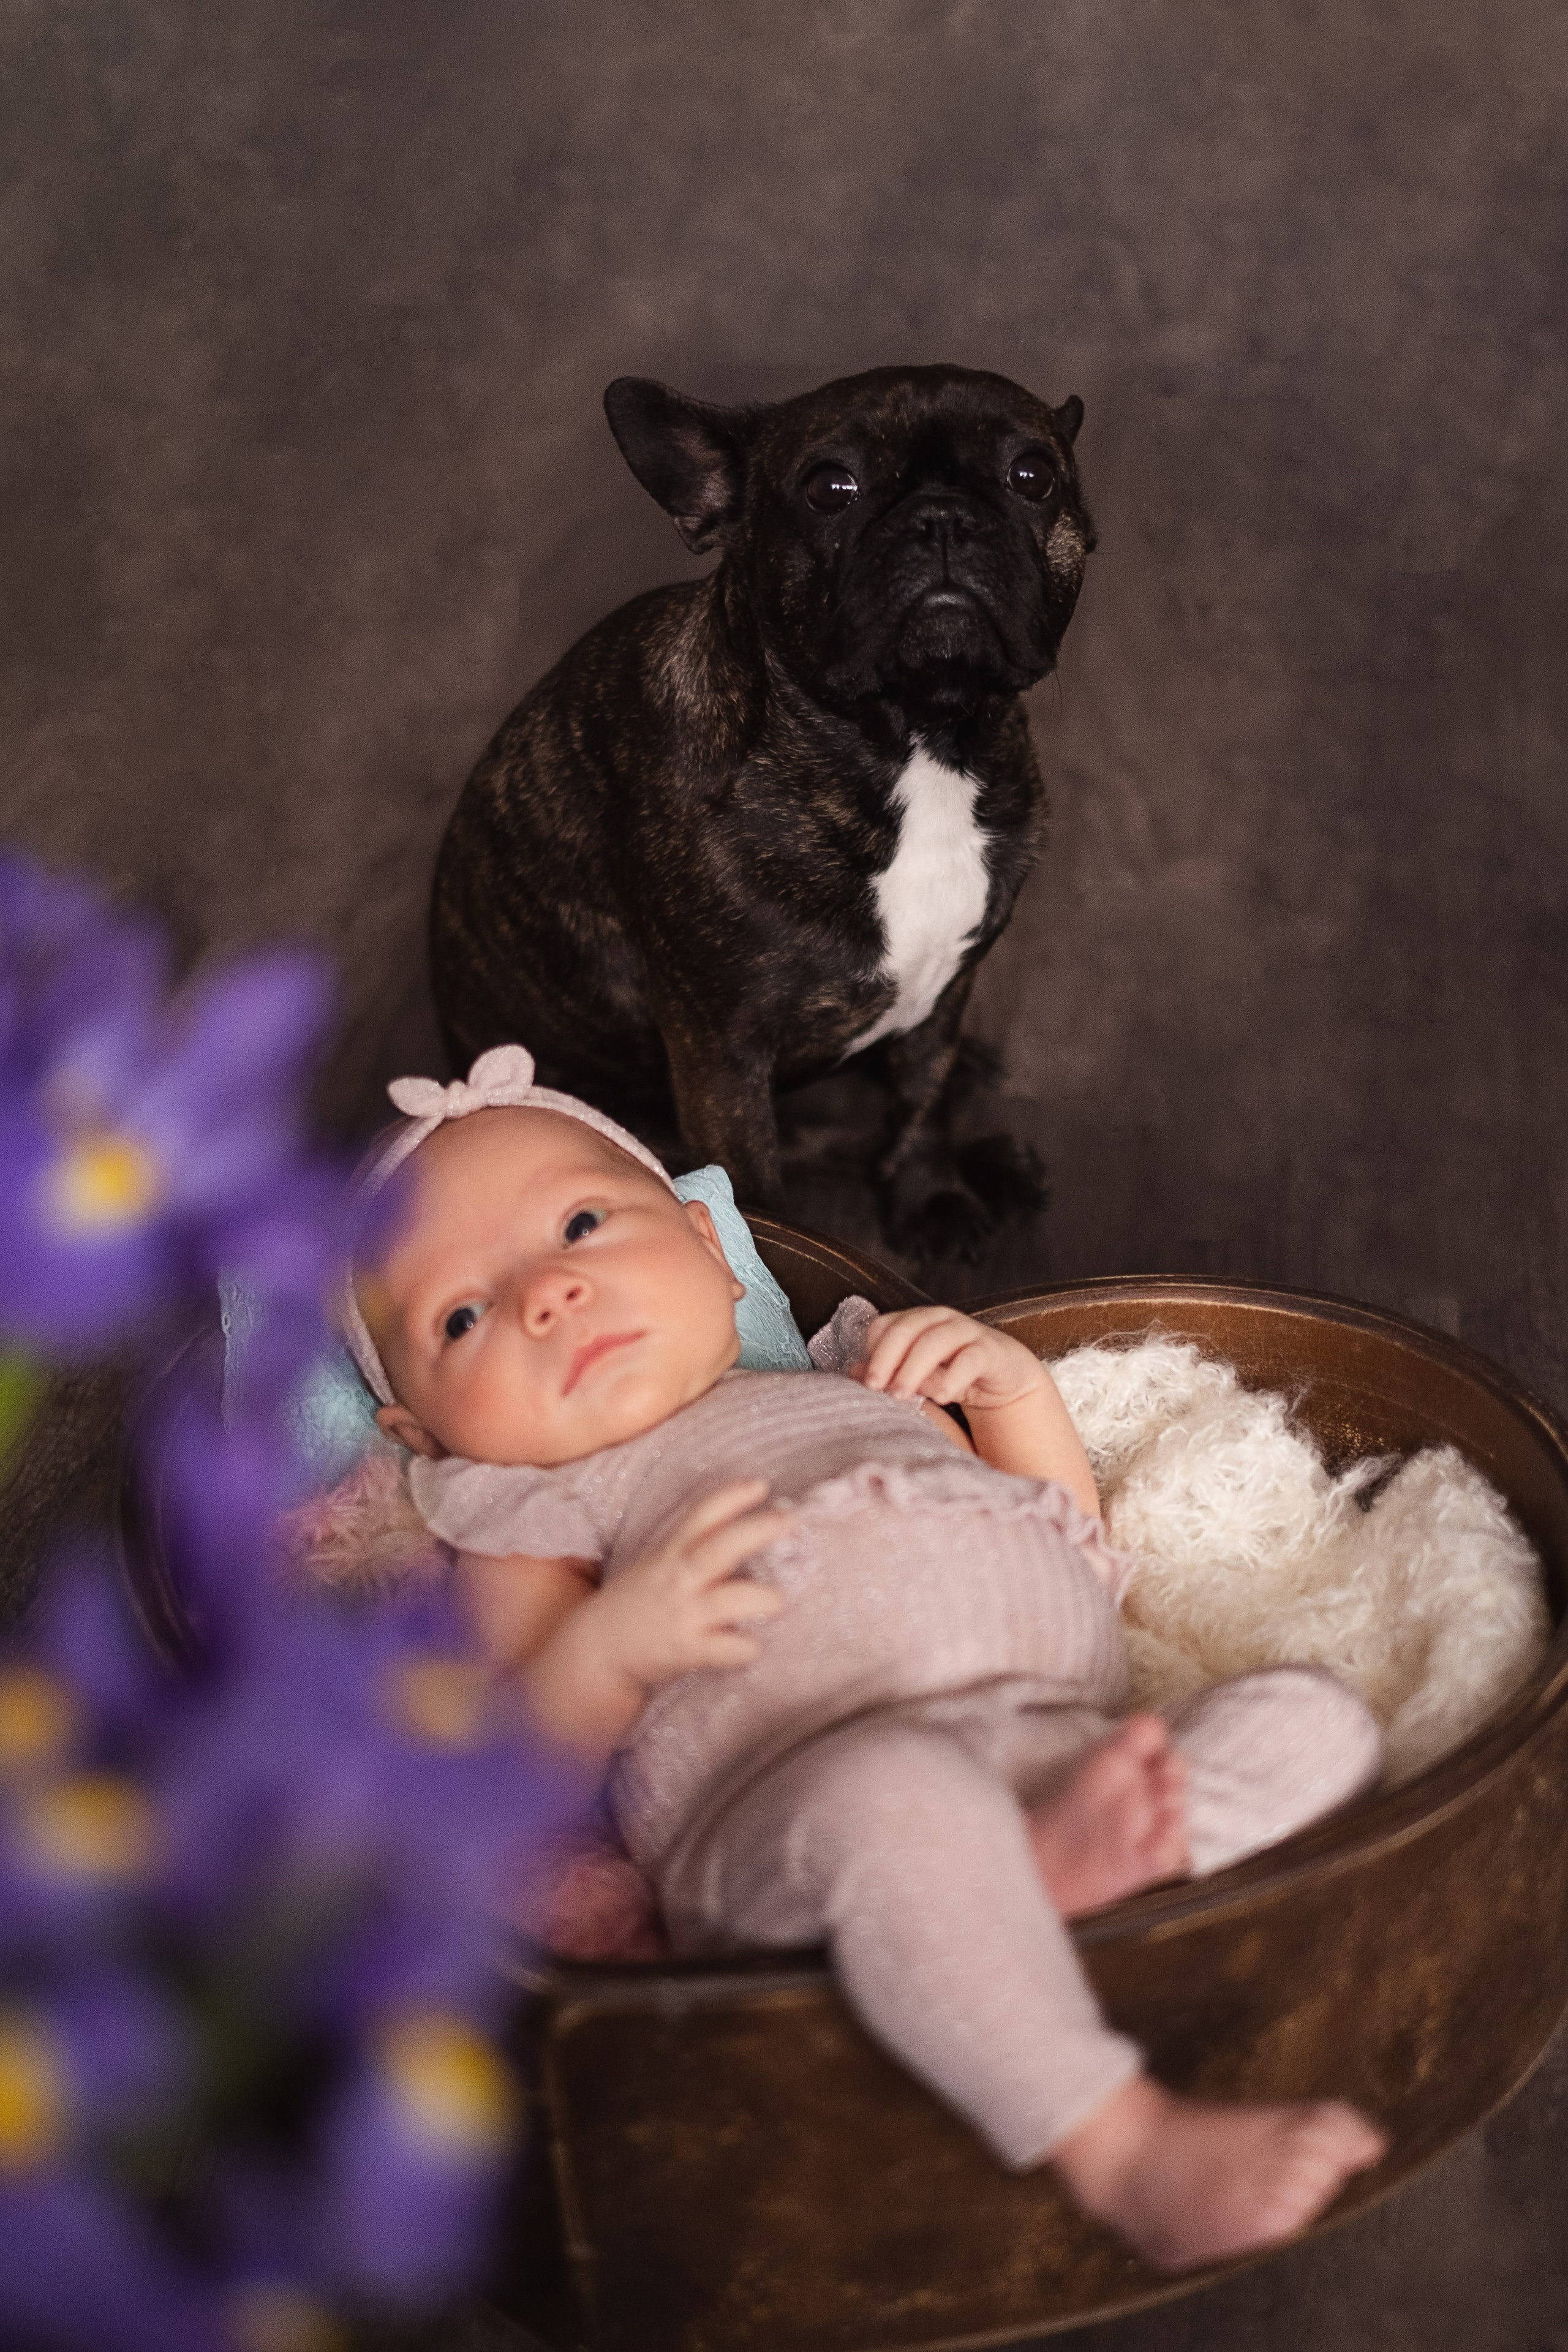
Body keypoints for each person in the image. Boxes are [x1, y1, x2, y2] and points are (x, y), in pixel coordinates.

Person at [342, 1046, 1387, 2273]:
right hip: (795, 1811)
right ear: (421, 1435)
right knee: (895, 1804)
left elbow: (1072, 1540)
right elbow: (521, 1771)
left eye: (580, 1223)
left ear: (708, 1252)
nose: (547, 1295)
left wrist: (1008, 1396)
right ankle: (1120, 2142)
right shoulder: (529, 1514)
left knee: (1316, 1717)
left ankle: (1059, 1873)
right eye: (461, 1315)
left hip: (1054, 1735)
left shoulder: (859, 1379)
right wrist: (612, 1649)